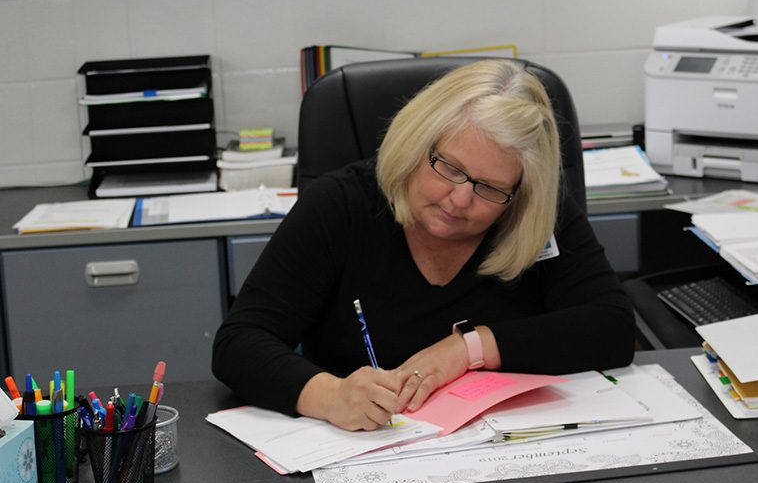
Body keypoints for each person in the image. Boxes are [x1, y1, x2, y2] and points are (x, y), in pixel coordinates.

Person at [212, 59, 635, 431]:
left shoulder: (534, 212)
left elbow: (612, 328)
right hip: (366, 452)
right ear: (417, 142)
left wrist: (470, 347)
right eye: (449, 167)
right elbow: (240, 342)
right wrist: (330, 396)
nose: (460, 199)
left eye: (490, 187)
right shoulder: (342, 204)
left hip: (508, 454)